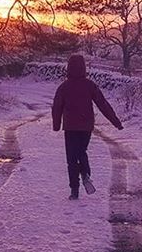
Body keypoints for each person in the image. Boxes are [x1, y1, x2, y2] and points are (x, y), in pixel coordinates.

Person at [52, 55, 123, 200]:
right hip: (86, 126)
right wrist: (116, 122)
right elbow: (103, 104)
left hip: (70, 127)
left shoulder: (64, 86)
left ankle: (74, 190)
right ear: (83, 67)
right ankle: (85, 173)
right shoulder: (89, 85)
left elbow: (57, 107)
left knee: (72, 159)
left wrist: (56, 125)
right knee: (81, 151)